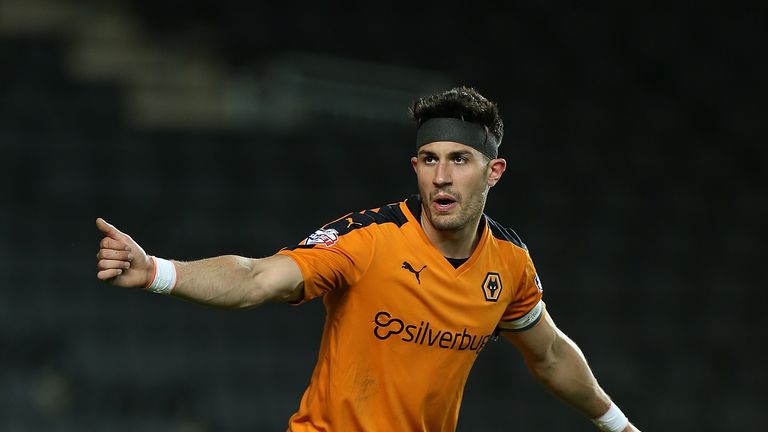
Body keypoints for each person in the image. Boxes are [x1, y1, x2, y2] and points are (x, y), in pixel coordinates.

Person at [95, 86, 640, 432]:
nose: (442, 176)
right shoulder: (368, 239)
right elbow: (258, 277)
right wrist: (158, 273)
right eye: (429, 160)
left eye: (459, 160)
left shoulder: (510, 264)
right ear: (416, 166)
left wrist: (616, 424)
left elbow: (548, 355)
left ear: (493, 172)